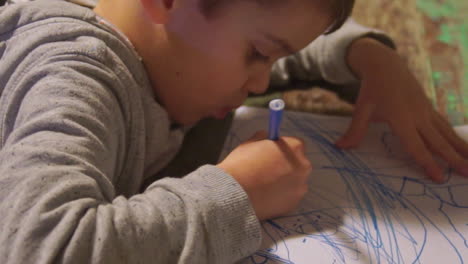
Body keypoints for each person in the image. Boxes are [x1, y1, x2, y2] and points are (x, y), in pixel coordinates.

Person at [0, 0, 467, 263]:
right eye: (259, 55)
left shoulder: (175, 49)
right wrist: (237, 194)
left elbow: (273, 20)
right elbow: (40, 248)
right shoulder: (74, 76)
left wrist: (369, 56)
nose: (262, 82)